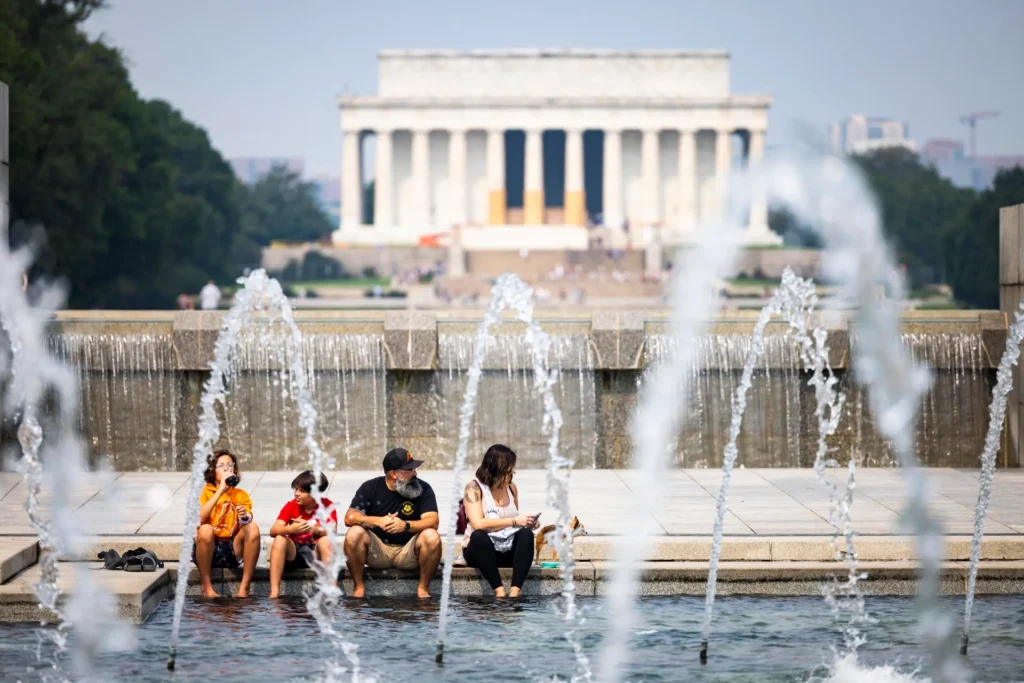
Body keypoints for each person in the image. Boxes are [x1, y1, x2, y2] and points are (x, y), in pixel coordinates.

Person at [343, 448, 441, 598]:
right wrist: (378, 521)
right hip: (378, 552)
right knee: (354, 533)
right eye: (409, 470)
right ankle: (359, 588)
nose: (415, 473)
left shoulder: (423, 488)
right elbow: (349, 518)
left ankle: (423, 589)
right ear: (394, 474)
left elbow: (433, 521)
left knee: (432, 536)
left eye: (415, 469)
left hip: (409, 553)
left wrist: (405, 525)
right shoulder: (370, 487)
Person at [462, 444, 539, 598]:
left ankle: (515, 592)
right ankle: (499, 591)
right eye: (509, 470)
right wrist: (515, 521)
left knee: (526, 535)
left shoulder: (511, 487)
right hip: (481, 551)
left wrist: (528, 523)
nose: (512, 473)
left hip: (507, 548)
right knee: (478, 536)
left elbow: (515, 522)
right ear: (496, 469)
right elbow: (478, 524)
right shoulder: (473, 488)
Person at [193, 450, 261, 598]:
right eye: (221, 465)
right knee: (205, 529)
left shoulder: (240, 494)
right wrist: (219, 492)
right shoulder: (203, 493)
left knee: (253, 528)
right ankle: (207, 588)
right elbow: (198, 518)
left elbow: (247, 519)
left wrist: (244, 516)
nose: (226, 469)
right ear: (212, 470)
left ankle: (244, 587)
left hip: (232, 549)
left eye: (230, 465)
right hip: (207, 548)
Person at [268, 470, 339, 598]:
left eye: (301, 491)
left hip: (316, 554)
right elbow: (274, 530)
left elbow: (332, 531)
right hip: (294, 552)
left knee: (326, 540)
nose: (296, 493)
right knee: (279, 538)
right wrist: (291, 529)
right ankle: (274, 592)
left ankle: (331, 591)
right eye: (295, 489)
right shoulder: (291, 505)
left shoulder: (327, 505)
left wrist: (313, 529)